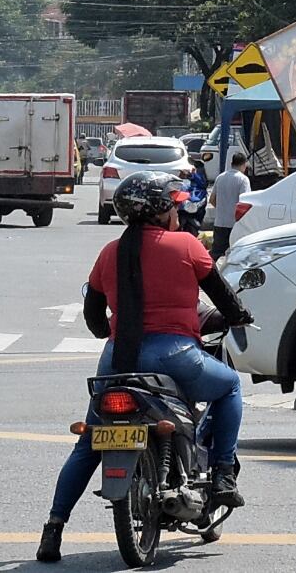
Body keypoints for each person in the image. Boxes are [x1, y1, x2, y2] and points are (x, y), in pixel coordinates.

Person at [38, 172, 251, 563]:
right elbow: (222, 296)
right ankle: (222, 473)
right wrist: (240, 314)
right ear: (160, 211)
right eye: (172, 204)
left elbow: (94, 313)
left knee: (88, 444)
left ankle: (53, 528)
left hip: (118, 361)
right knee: (230, 387)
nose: (177, 210)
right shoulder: (186, 245)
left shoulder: (108, 253)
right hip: (175, 357)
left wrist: (109, 330)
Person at [207, 151, 252, 256]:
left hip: (219, 223)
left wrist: (223, 209)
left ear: (231, 163)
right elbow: (245, 202)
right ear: (244, 164)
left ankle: (213, 272)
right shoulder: (243, 179)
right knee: (235, 255)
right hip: (235, 225)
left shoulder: (220, 177)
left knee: (217, 254)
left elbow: (212, 200)